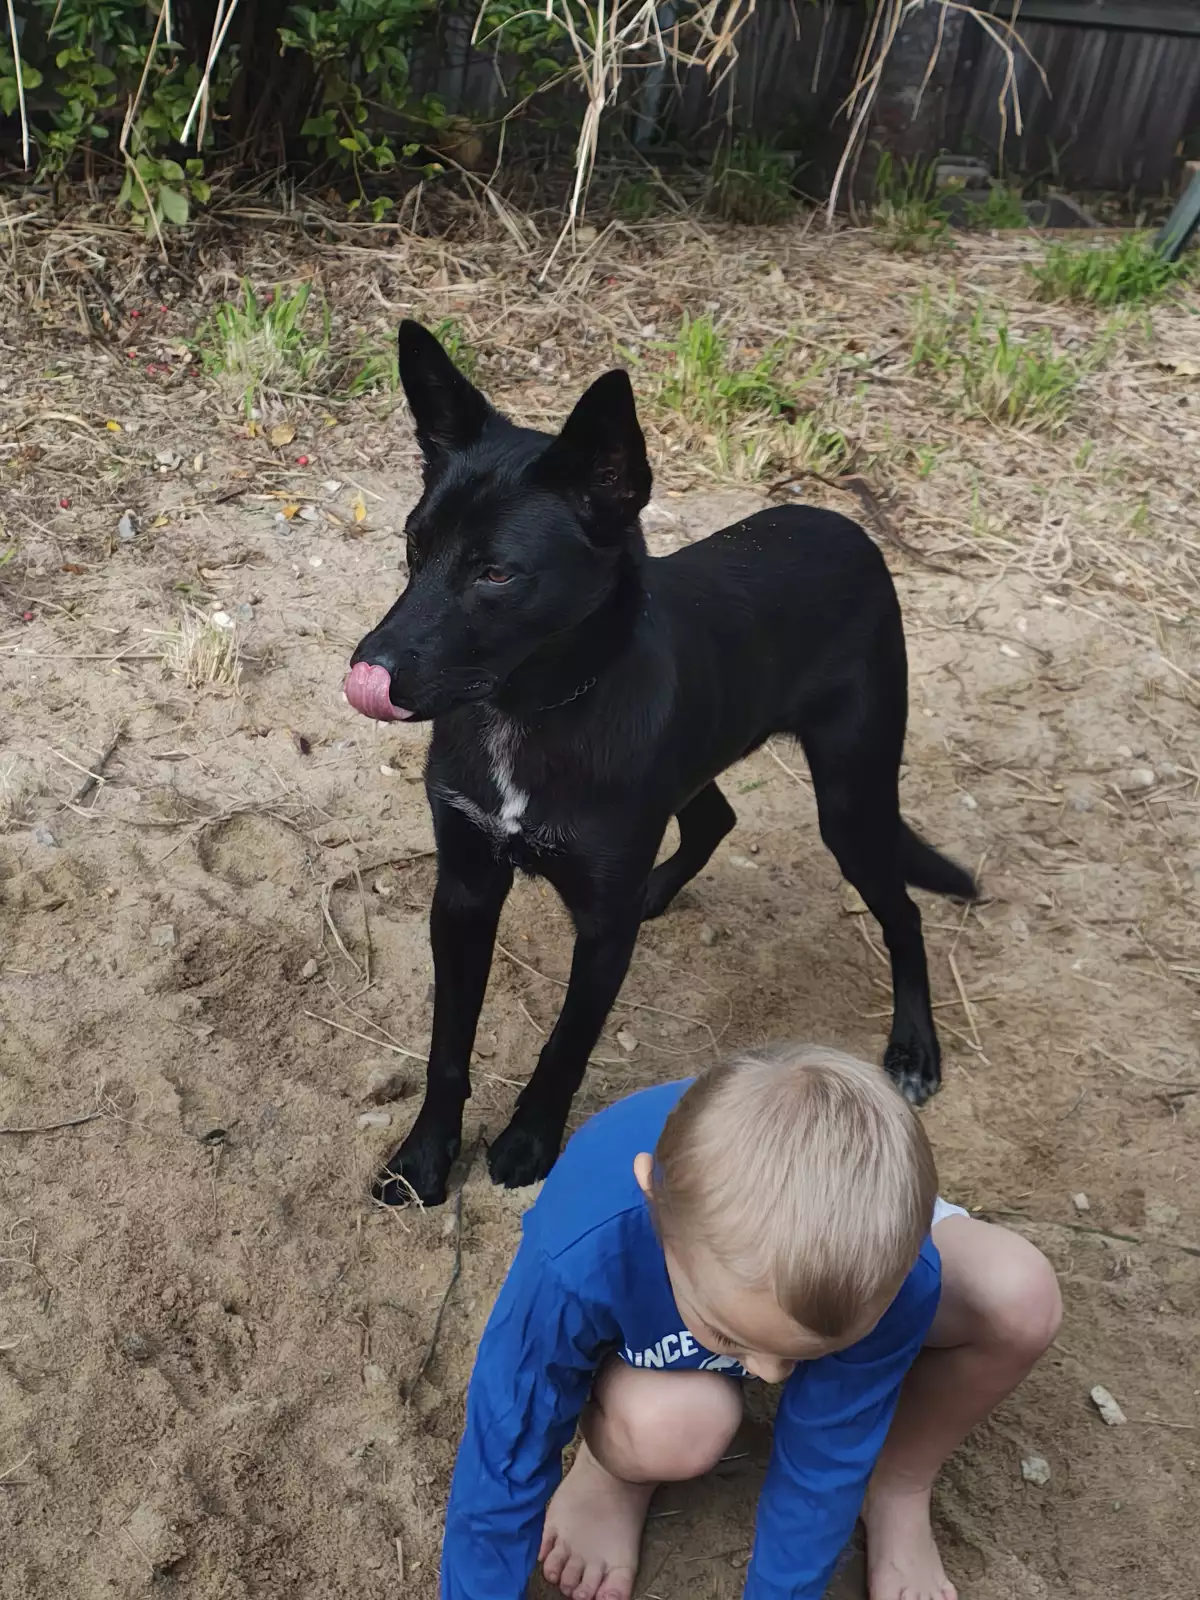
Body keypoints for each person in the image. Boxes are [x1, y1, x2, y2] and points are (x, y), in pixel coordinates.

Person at [441, 1046, 1062, 1600]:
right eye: (730, 1338)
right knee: (678, 1425)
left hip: (819, 1243)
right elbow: (511, 1436)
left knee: (1019, 1298)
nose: (771, 1376)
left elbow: (823, 1465)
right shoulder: (580, 1250)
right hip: (646, 1341)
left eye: (805, 1356)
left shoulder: (892, 1274)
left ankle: (897, 1483)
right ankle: (614, 1473)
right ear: (655, 1205)